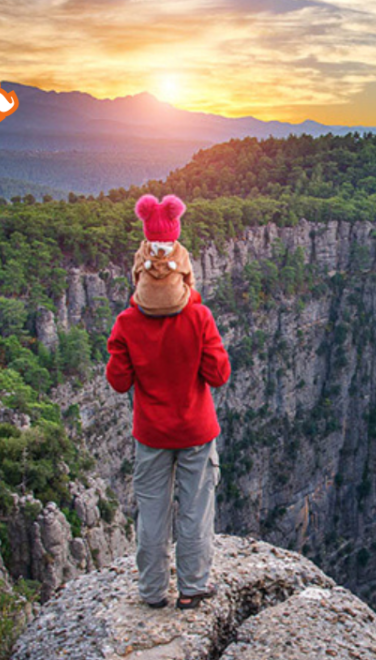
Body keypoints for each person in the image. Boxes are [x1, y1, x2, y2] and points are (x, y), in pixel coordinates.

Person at [106, 193, 231, 610]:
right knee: (195, 510)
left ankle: (152, 592)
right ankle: (193, 589)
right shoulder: (199, 318)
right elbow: (219, 374)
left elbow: (118, 381)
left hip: (152, 433)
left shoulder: (127, 323)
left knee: (153, 513)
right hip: (195, 431)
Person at [131, 194, 195, 316]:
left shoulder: (142, 252)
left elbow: (136, 276)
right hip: (176, 306)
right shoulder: (180, 252)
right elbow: (189, 279)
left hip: (145, 307)